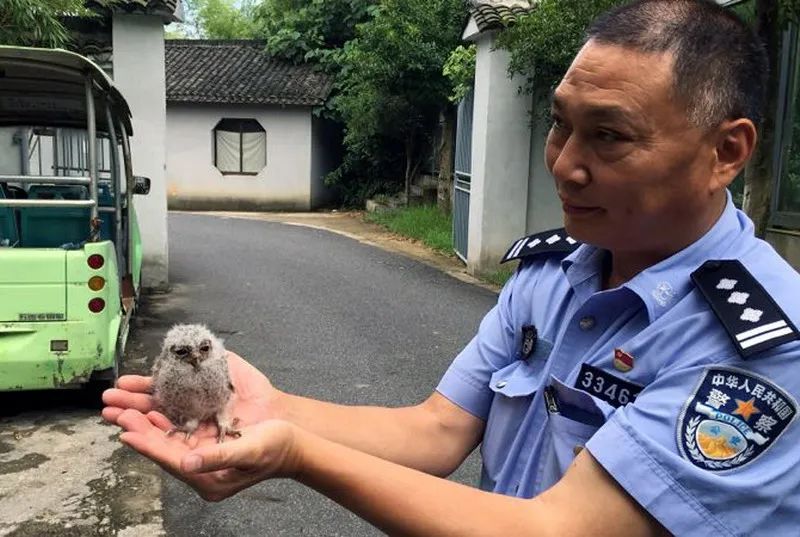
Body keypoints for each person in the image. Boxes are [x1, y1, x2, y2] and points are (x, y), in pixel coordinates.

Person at [103, 0, 800, 534]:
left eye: (609, 136)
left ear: (727, 152)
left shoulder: (763, 348)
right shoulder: (554, 273)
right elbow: (437, 430)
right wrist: (269, 409)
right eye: (559, 123)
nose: (564, 163)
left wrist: (295, 453)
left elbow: (555, 528)